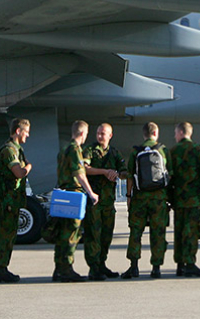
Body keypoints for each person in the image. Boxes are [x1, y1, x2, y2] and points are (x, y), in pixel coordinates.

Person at [51, 120, 99, 283]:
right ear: (82, 133)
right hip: (73, 195)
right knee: (72, 233)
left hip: (63, 193)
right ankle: (66, 269)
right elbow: (80, 173)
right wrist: (91, 193)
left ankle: (59, 268)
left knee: (62, 233)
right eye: (85, 134)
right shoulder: (75, 149)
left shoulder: (63, 149)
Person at [123, 122, 169, 279]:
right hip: (159, 199)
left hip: (139, 199)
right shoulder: (163, 150)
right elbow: (169, 175)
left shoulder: (135, 152)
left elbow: (130, 176)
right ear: (156, 133)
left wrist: (128, 197)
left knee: (136, 232)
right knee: (158, 233)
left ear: (144, 134)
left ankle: (134, 267)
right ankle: (156, 268)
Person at [82, 122, 126, 281]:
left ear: (110, 135)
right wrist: (104, 172)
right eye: (98, 133)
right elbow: (84, 168)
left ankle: (102, 264)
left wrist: (118, 174)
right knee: (93, 234)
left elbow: (124, 171)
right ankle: (93, 268)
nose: (100, 136)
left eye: (103, 133)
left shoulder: (114, 153)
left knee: (106, 235)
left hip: (109, 202)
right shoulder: (90, 150)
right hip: (95, 201)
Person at [168, 122, 200, 277]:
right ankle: (190, 263)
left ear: (181, 132)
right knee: (191, 232)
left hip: (178, 199)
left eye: (175, 133)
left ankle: (180, 264)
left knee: (179, 231)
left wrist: (169, 198)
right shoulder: (198, 150)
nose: (175, 136)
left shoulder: (173, 151)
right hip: (193, 199)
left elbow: (169, 177)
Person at [0, 118, 32, 283]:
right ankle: (0, 270)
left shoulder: (16, 149)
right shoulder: (9, 150)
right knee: (5, 234)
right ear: (18, 131)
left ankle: (3, 268)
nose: (27, 135)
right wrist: (29, 167)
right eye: (26, 131)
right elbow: (19, 173)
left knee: (8, 235)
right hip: (5, 201)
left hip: (10, 200)